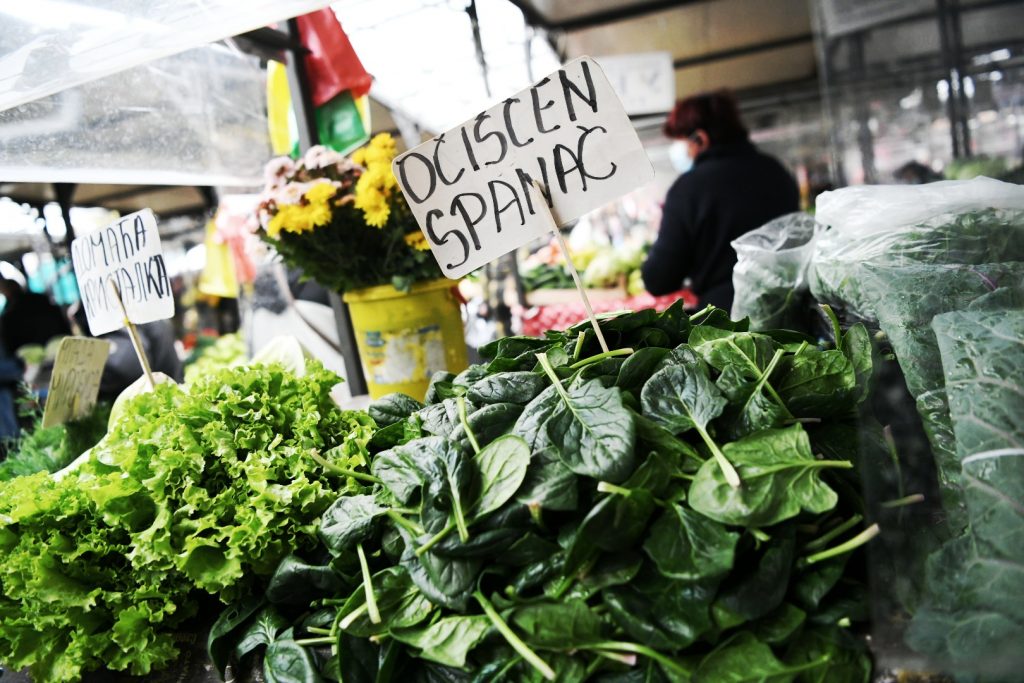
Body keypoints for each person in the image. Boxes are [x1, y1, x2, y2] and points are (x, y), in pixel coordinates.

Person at [641, 90, 800, 310]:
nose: (682, 151)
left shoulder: (688, 188)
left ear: (700, 138)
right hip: (789, 308)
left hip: (727, 318)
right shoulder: (775, 171)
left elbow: (659, 279)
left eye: (683, 142)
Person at [0, 278, 71, 356]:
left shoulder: (8, 316)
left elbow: (10, 349)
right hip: (60, 346)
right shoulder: (41, 299)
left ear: (5, 293)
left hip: (32, 357)